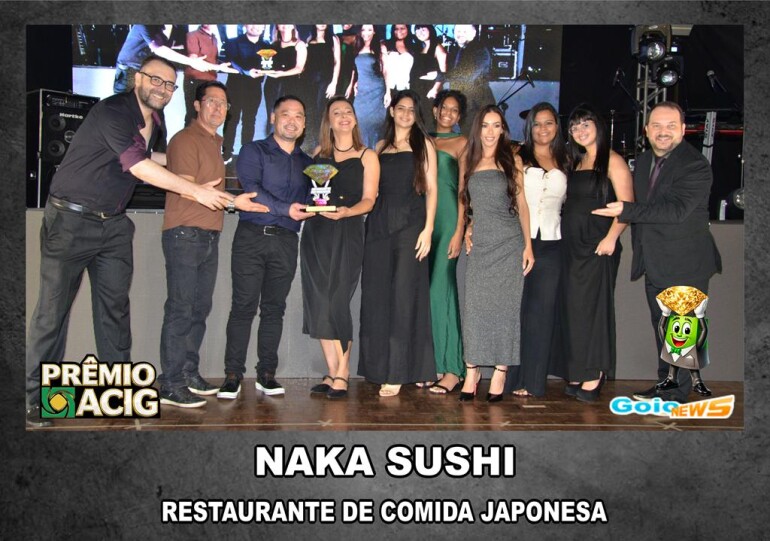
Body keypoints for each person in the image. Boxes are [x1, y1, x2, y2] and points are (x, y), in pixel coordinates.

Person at [26, 56, 233, 426]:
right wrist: (195, 191)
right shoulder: (113, 112)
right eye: (156, 80)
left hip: (114, 225)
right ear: (138, 78)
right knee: (52, 314)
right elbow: (138, 165)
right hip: (71, 220)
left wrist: (188, 163)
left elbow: (151, 156)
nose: (163, 89)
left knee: (115, 313)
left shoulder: (156, 121)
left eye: (169, 84)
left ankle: (116, 394)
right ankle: (34, 399)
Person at [592, 101, 722, 402]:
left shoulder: (694, 165)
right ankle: (667, 383)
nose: (664, 132)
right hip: (655, 261)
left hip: (686, 262)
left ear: (683, 129)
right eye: (657, 126)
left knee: (682, 327)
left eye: (671, 126)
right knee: (663, 326)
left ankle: (678, 392)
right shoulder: (645, 160)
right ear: (647, 130)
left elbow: (675, 212)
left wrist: (626, 209)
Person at [158, 81, 269, 408]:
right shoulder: (185, 140)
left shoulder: (215, 143)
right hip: (185, 234)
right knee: (180, 309)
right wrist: (236, 202)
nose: (219, 108)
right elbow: (189, 187)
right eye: (212, 101)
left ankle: (188, 372)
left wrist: (231, 202)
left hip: (207, 234)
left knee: (198, 309)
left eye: (223, 103)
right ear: (197, 105)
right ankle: (170, 382)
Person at [217, 95, 314, 400]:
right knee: (243, 307)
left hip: (286, 241)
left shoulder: (309, 164)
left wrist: (320, 203)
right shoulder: (253, 150)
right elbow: (253, 191)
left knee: (274, 309)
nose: (292, 121)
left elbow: (312, 200)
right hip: (251, 237)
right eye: (286, 114)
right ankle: (232, 375)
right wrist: (287, 209)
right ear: (273, 118)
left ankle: (267, 374)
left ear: (304, 123)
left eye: (299, 116)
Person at [358, 90, 438, 397]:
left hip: (411, 224)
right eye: (401, 108)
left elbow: (432, 190)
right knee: (377, 296)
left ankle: (398, 372)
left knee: (403, 297)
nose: (406, 113)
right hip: (378, 225)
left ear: (417, 115)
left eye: (411, 110)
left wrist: (428, 229)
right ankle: (379, 368)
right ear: (391, 111)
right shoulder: (379, 146)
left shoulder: (424, 144)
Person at [301, 97, 380, 398]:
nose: (344, 117)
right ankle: (332, 371)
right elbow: (313, 194)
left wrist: (347, 212)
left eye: (348, 112)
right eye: (337, 113)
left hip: (347, 231)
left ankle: (343, 371)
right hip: (317, 233)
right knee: (318, 301)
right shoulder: (318, 154)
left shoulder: (367, 156)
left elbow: (369, 200)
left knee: (337, 301)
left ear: (355, 119)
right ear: (329, 121)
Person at [459, 105, 534, 403]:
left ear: (503, 129)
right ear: (477, 129)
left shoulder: (512, 159)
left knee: (505, 309)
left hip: (509, 243)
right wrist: (468, 226)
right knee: (475, 308)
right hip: (481, 245)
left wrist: (528, 246)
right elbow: (468, 203)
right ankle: (472, 371)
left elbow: (522, 205)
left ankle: (500, 371)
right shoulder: (468, 158)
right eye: (485, 125)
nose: (490, 132)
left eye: (496, 125)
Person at [561, 104, 634, 403]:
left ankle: (595, 372)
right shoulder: (577, 162)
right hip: (572, 246)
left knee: (595, 309)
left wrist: (611, 238)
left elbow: (628, 206)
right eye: (574, 126)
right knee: (575, 309)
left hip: (598, 245)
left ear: (598, 126)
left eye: (585, 124)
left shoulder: (613, 160)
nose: (579, 131)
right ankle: (579, 368)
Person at [505, 102, 570, 398]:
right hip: (520, 241)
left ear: (557, 127)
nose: (543, 129)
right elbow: (515, 200)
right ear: (529, 127)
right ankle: (512, 378)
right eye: (537, 123)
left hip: (553, 243)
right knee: (516, 312)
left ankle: (533, 381)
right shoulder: (518, 156)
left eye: (549, 123)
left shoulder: (567, 159)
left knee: (541, 314)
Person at [427, 90, 467, 395]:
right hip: (422, 222)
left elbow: (465, 190)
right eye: (444, 108)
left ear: (459, 116)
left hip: (448, 220)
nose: (448, 114)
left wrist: (459, 230)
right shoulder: (422, 140)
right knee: (424, 294)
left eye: (454, 110)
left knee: (442, 289)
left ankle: (453, 369)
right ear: (434, 109)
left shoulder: (462, 142)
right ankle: (431, 365)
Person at [114, 24, 233, 94]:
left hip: (150, 74)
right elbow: (160, 50)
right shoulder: (145, 24)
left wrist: (217, 66)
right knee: (127, 115)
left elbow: (186, 55)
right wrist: (191, 61)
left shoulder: (176, 28)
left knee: (155, 118)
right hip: (130, 72)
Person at [221, 24, 272, 163]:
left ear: (264, 28)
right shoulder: (233, 42)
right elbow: (231, 62)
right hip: (235, 87)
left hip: (254, 88)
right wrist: (247, 72)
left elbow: (268, 65)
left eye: (260, 25)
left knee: (250, 121)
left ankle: (246, 153)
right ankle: (226, 153)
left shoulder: (266, 46)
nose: (256, 27)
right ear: (245, 25)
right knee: (232, 119)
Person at [445, 24, 495, 135]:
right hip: (466, 104)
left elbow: (468, 75)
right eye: (458, 31)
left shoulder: (479, 50)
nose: (460, 34)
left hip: (477, 105)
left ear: (473, 33)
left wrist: (439, 76)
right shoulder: (459, 50)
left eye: (464, 31)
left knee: (475, 139)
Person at [348, 25, 390, 148]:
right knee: (358, 121)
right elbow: (356, 69)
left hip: (376, 90)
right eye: (363, 30)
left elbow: (386, 70)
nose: (366, 33)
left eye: (370, 30)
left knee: (374, 126)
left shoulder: (380, 47)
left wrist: (388, 92)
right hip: (362, 91)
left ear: (374, 31)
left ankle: (373, 154)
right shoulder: (357, 46)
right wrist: (355, 83)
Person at [302, 25, 341, 150]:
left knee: (322, 112)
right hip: (309, 81)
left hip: (325, 81)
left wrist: (334, 83)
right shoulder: (309, 38)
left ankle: (325, 146)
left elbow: (337, 62)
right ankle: (313, 146)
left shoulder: (333, 39)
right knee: (311, 112)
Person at [263, 25, 307, 123]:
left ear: (293, 26)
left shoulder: (299, 44)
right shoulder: (273, 45)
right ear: (277, 27)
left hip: (291, 85)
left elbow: (299, 68)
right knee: (272, 117)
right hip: (272, 85)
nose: (285, 25)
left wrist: (281, 74)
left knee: (287, 118)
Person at [182, 25, 223, 126]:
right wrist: (219, 67)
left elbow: (214, 60)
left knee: (207, 117)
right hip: (195, 81)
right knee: (193, 116)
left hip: (210, 82)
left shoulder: (214, 38)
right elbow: (194, 60)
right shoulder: (192, 35)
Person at [412, 25, 448, 124]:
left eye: (423, 29)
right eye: (417, 30)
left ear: (430, 30)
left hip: (430, 90)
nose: (420, 32)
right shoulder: (420, 46)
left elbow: (444, 73)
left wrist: (435, 89)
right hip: (418, 88)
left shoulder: (437, 47)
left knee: (428, 120)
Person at [383, 24, 419, 103]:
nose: (399, 31)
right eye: (396, 29)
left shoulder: (414, 47)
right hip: (387, 88)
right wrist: (387, 92)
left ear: (408, 30)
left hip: (406, 88)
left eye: (402, 28)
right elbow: (383, 69)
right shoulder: (385, 44)